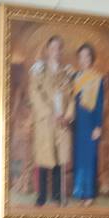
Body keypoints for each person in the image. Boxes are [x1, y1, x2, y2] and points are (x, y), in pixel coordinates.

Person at [27, 36, 73, 207]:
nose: (56, 51)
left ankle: (57, 195)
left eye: (59, 48)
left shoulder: (66, 72)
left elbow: (72, 96)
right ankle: (42, 195)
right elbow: (34, 92)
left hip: (61, 120)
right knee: (44, 157)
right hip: (46, 120)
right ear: (47, 50)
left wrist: (67, 115)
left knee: (59, 158)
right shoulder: (39, 69)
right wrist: (49, 112)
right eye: (52, 47)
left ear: (61, 51)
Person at [69, 43, 105, 204]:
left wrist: (98, 126)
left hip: (90, 124)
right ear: (78, 59)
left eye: (87, 56)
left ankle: (89, 193)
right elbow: (70, 99)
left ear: (91, 59)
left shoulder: (97, 79)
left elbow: (99, 104)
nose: (84, 59)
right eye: (81, 56)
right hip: (77, 124)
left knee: (89, 159)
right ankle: (79, 192)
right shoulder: (75, 77)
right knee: (79, 158)